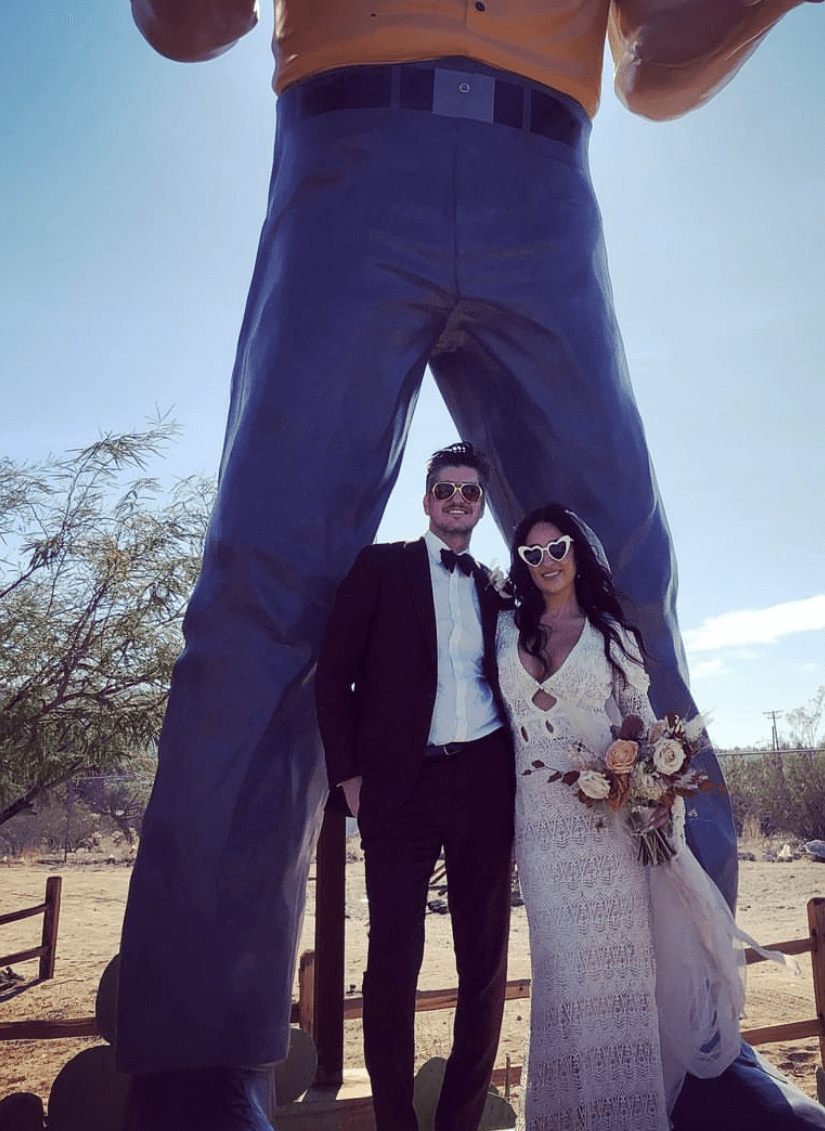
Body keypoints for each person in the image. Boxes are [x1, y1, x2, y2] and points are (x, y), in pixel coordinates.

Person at [117, 1, 825, 1127]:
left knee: (621, 593)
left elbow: (651, 69)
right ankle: (194, 1061)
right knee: (268, 590)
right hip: (345, 161)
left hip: (544, 185)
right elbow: (190, 28)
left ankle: (689, 1047)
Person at [499, 504, 825, 1131]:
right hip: (542, 830)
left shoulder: (611, 636)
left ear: (578, 552)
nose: (547, 562)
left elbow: (648, 725)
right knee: (563, 974)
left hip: (610, 824)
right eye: (532, 553)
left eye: (557, 547)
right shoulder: (503, 630)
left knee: (620, 967)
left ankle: (630, 1112)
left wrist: (654, 795)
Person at [315, 443, 515, 1131]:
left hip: (485, 780)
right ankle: (394, 1121)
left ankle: (458, 1119)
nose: (458, 500)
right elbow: (332, 674)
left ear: (480, 505)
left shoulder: (496, 585)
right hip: (399, 787)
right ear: (427, 500)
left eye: (469, 492)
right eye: (445, 489)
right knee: (392, 961)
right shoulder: (381, 566)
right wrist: (349, 779)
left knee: (483, 961)